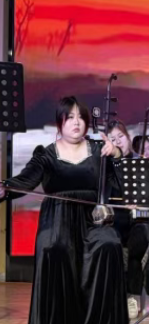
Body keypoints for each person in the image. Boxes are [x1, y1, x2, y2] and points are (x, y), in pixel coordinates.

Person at [0, 96, 128, 324]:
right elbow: (25, 180)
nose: (76, 122)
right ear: (60, 122)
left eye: (80, 117)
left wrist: (117, 154)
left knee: (109, 244)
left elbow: (121, 185)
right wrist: (4, 188)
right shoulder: (46, 154)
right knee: (53, 247)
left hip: (92, 220)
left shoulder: (99, 150)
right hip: (57, 218)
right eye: (69, 117)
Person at [108, 120, 149, 319]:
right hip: (115, 222)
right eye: (113, 139)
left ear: (128, 138)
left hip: (139, 222)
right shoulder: (107, 166)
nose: (118, 141)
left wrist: (140, 204)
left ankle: (132, 297)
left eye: (121, 136)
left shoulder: (140, 163)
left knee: (139, 239)